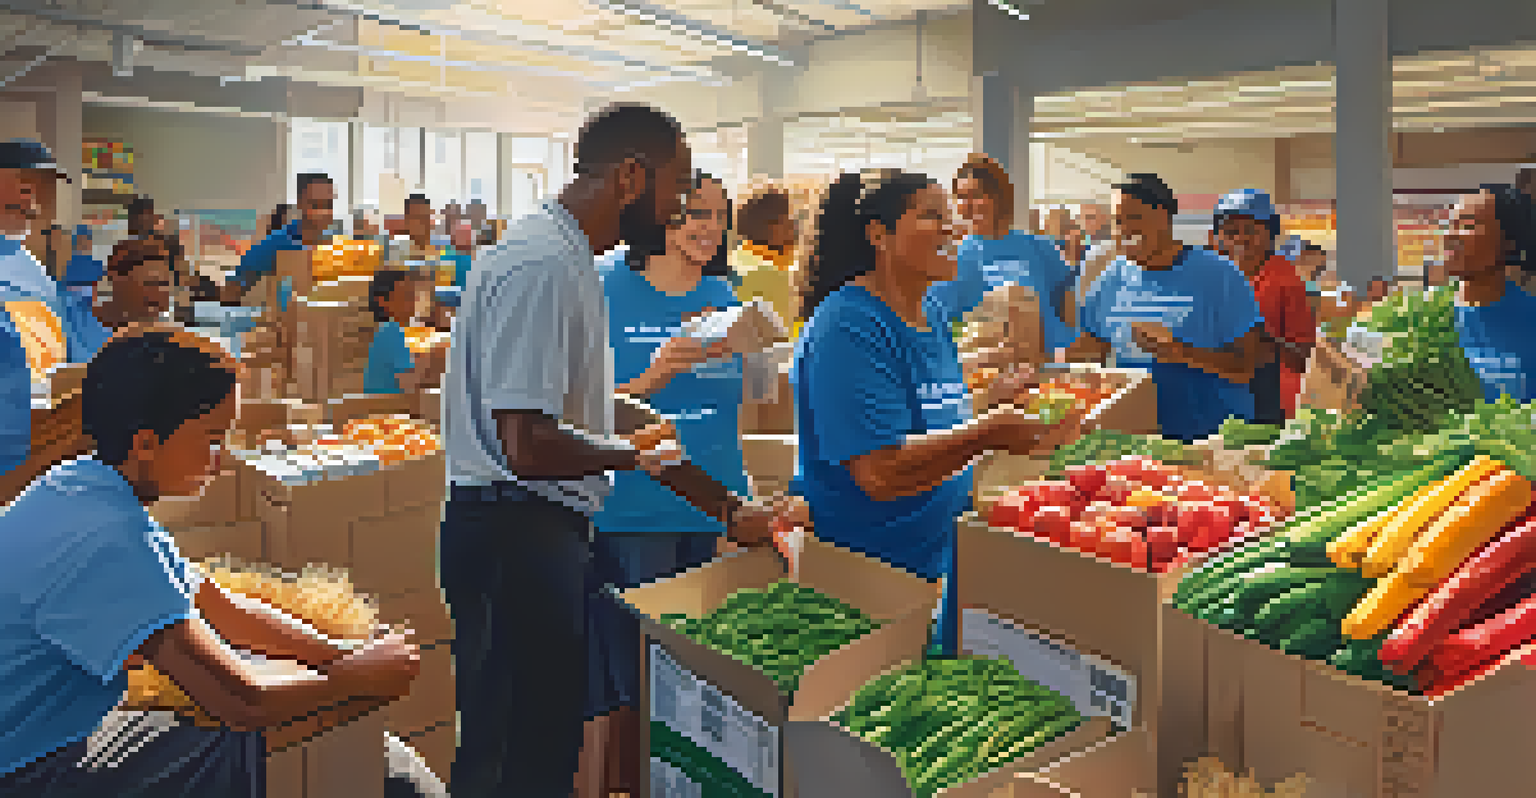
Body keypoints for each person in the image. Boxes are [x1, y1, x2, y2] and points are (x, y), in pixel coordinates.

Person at [440, 102, 781, 797]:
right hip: (514, 531)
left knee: (541, 742)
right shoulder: (544, 263)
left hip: (535, 531)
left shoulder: (568, 258)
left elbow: (604, 412)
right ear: (631, 176)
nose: (680, 211)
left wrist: (723, 505)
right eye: (675, 190)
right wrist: (634, 460)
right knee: (515, 757)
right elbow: (525, 442)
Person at [0, 324, 421, 796]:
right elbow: (241, 702)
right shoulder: (104, 538)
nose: (220, 460)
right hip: (29, 771)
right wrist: (351, 680)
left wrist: (344, 654)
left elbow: (220, 610)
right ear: (145, 443)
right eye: (211, 438)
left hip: (47, 740)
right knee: (294, 743)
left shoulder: (80, 485)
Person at [793, 169, 1078, 659]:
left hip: (937, 562)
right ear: (878, 234)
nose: (955, 229)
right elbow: (879, 471)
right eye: (932, 216)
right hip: (872, 579)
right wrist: (989, 432)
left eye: (951, 217)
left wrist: (994, 403)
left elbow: (928, 417)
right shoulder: (849, 326)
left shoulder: (931, 315)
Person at [583, 170, 746, 795]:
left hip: (710, 508)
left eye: (716, 215)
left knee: (691, 678)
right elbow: (572, 415)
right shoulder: (604, 289)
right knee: (635, 681)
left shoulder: (724, 295)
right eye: (692, 214)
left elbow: (736, 410)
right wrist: (650, 379)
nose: (707, 228)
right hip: (633, 511)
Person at [1068, 173, 1269, 442]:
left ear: (1165, 217)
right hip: (1139, 438)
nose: (1124, 230)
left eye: (1135, 218)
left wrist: (1179, 352)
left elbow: (1247, 364)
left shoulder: (1219, 275)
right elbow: (1093, 347)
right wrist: (1040, 359)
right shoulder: (1110, 279)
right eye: (1118, 221)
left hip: (1212, 440)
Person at [938, 154, 1077, 356]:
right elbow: (947, 322)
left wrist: (1069, 342)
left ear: (999, 197)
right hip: (995, 367)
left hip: (1051, 359)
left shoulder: (1038, 247)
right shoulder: (954, 257)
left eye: (976, 195)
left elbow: (1066, 298)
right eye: (961, 197)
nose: (968, 205)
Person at [1210, 189, 1316, 422]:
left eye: (1250, 231)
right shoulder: (1217, 276)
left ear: (1271, 233)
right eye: (1230, 232)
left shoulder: (1286, 281)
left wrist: (1263, 339)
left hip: (1268, 400)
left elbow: (1304, 357)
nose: (1239, 239)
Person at [1444, 184, 1536, 402]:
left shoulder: (1530, 318)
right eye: (1450, 225)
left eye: (1467, 225)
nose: (1450, 235)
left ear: (1509, 242)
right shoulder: (1419, 316)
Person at [232, 174, 335, 305]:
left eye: (328, 205)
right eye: (315, 205)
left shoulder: (336, 244)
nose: (323, 213)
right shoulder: (278, 243)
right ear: (300, 204)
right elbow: (236, 285)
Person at [730, 187, 800, 334]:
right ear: (769, 226)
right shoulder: (767, 274)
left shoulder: (741, 257)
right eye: (788, 217)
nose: (795, 224)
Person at [364, 269, 443, 395]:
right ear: (383, 301)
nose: (413, 301)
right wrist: (434, 356)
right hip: (387, 408)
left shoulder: (393, 330)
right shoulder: (391, 331)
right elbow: (408, 383)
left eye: (413, 294)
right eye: (406, 295)